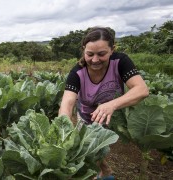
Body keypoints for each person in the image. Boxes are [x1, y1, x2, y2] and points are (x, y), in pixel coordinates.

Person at [58, 27, 149, 179]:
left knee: (104, 144)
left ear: (112, 49)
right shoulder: (77, 73)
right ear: (83, 50)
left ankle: (104, 170)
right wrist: (64, 128)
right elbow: (66, 104)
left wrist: (111, 104)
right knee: (90, 147)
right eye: (90, 54)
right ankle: (104, 171)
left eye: (101, 54)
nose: (95, 60)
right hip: (88, 115)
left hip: (115, 111)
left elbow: (142, 90)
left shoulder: (120, 61)